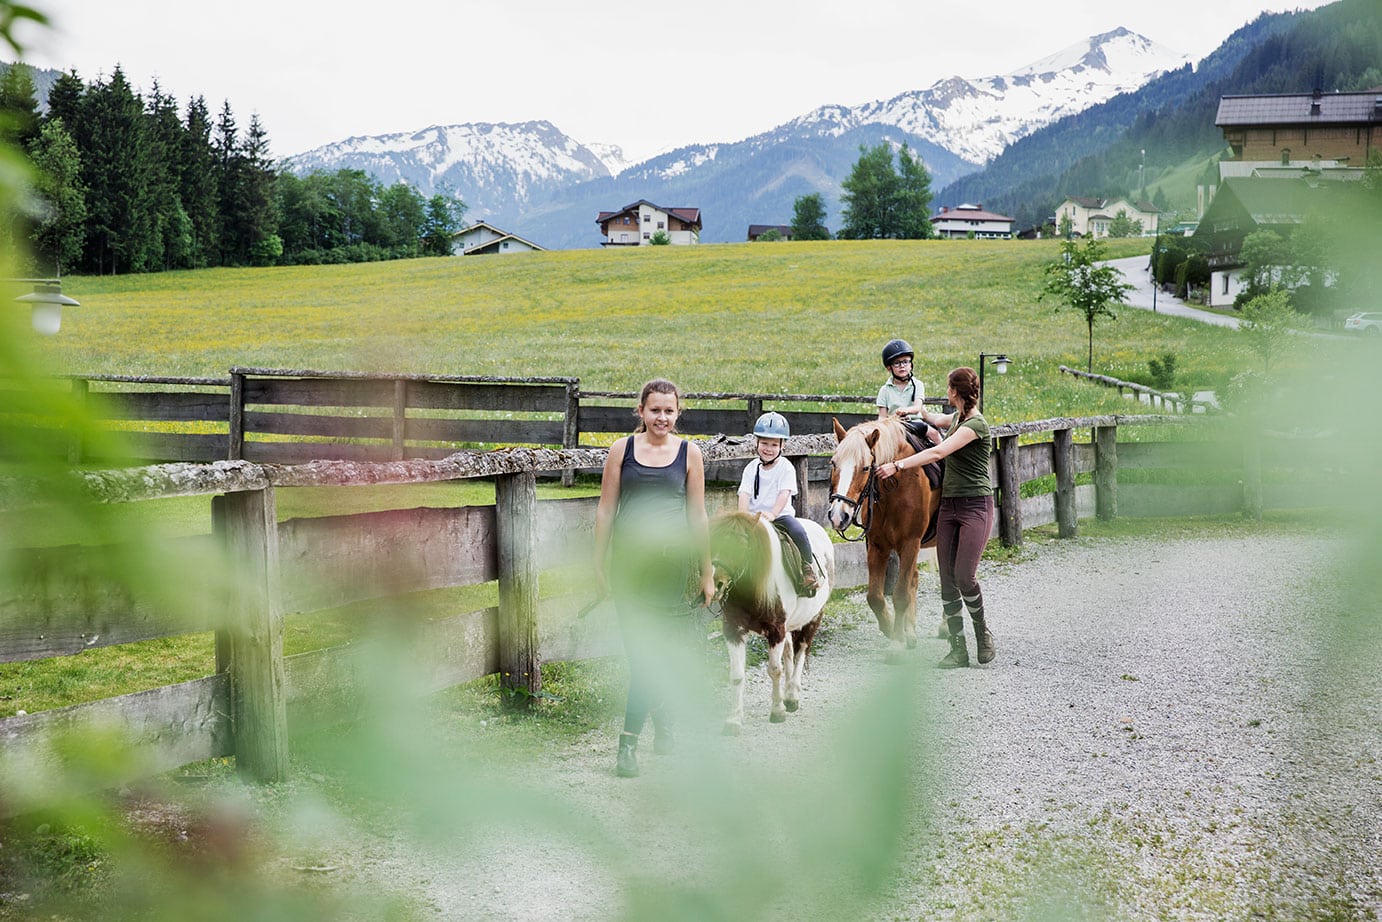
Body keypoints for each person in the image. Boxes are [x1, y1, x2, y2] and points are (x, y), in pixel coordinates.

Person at [593, 378, 716, 778]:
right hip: (629, 567)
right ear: (641, 412)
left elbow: (697, 516)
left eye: (669, 410)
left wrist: (706, 569)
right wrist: (599, 562)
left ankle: (626, 747)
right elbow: (606, 510)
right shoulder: (621, 451)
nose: (662, 417)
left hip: (668, 567)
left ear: (678, 413)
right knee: (639, 654)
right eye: (655, 410)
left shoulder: (690, 453)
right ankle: (662, 720)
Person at [877, 367, 995, 669]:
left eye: (948, 388)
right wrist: (914, 413)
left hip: (975, 506)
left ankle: (982, 632)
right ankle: (958, 649)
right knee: (946, 581)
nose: (946, 392)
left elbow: (938, 453)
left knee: (964, 576)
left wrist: (897, 466)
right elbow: (935, 420)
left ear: (955, 392)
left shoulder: (975, 425)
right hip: (950, 508)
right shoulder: (956, 419)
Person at [737, 411, 819, 595]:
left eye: (774, 444)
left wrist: (773, 514)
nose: (768, 448)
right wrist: (742, 517)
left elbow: (784, 494)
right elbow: (744, 494)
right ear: (756, 442)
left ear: (782, 446)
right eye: (764, 443)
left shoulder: (785, 467)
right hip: (754, 517)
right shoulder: (751, 468)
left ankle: (807, 568)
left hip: (779, 516)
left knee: (798, 531)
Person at [877, 338, 927, 426]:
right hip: (894, 425)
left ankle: (943, 440)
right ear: (889, 368)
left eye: (905, 362)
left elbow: (917, 407)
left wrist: (906, 410)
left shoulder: (918, 385)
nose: (902, 366)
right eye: (897, 363)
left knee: (934, 433)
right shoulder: (884, 390)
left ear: (911, 365)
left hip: (915, 423)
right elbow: (882, 417)